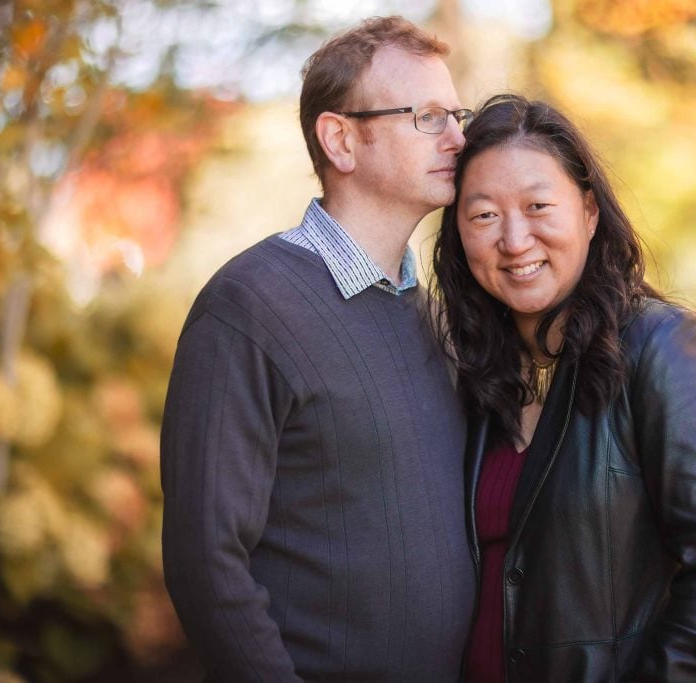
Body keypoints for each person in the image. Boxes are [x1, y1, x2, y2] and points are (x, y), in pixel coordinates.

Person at [161, 17, 476, 682]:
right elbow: (205, 559)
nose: (459, 137)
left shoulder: (432, 318)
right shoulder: (249, 306)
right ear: (341, 140)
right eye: (427, 116)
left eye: (457, 113)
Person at [432, 94, 696, 682]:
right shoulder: (475, 375)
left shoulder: (665, 347)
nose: (514, 240)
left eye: (538, 206)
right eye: (483, 215)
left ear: (589, 212)